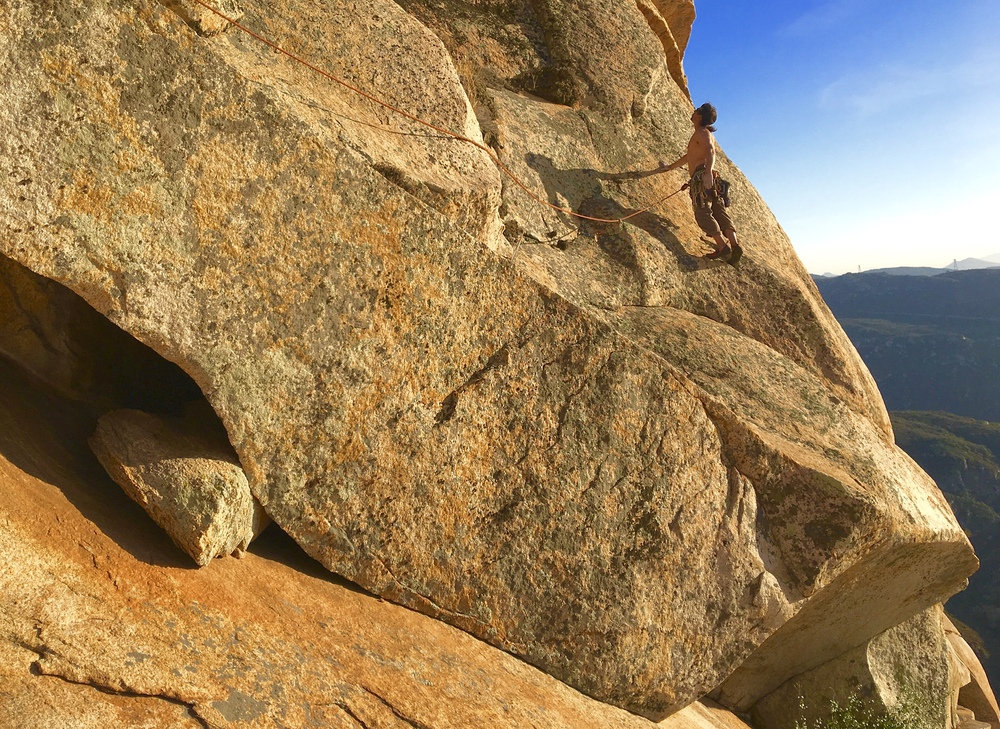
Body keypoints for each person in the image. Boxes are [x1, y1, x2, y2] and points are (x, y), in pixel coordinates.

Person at [661, 102, 743, 265]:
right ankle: (734, 245)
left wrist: (706, 174)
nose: (693, 111)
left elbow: (710, 151)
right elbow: (688, 157)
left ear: (700, 116)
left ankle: (722, 246)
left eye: (696, 110)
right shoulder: (703, 134)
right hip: (709, 177)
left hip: (702, 176)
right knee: (718, 209)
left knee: (702, 211)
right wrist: (670, 167)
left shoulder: (702, 132)